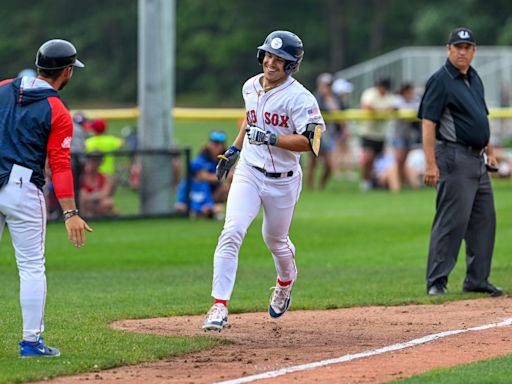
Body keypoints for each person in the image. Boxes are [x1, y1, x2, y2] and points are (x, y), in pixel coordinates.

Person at [202, 30, 325, 331]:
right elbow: (250, 119)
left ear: (291, 64)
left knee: (275, 240)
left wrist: (273, 138)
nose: (271, 62)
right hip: (250, 171)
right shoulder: (249, 86)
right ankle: (219, 306)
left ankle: (285, 282)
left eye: (279, 59)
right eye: (268, 55)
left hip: (283, 180)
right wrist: (234, 149)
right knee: (231, 231)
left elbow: (313, 142)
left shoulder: (300, 97)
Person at [0, 39, 92, 358]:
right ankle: (30, 343)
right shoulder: (57, 110)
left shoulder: (2, 88)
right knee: (31, 267)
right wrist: (70, 213)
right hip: (22, 189)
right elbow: (60, 165)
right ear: (66, 71)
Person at [418, 27, 502, 297]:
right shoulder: (440, 80)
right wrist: (430, 164)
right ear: (448, 49)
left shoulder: (474, 78)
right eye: (458, 47)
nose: (463, 51)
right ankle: (437, 280)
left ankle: (477, 279)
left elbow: (482, 117)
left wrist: (491, 151)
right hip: (453, 157)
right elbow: (429, 123)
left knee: (484, 220)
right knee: (451, 221)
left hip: (478, 159)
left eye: (468, 47)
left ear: (474, 51)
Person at [175, 130, 230, 219]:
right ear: (209, 144)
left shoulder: (225, 158)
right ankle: (203, 210)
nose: (216, 147)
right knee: (181, 206)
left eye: (219, 144)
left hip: (212, 192)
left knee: (227, 188)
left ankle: (207, 210)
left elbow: (231, 175)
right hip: (197, 191)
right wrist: (223, 177)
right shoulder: (202, 158)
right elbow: (201, 176)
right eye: (214, 143)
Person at [359, 78, 396, 191]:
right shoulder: (370, 94)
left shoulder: (389, 97)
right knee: (368, 159)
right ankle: (366, 182)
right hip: (368, 132)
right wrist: (383, 111)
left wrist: (379, 111)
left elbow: (392, 108)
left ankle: (375, 182)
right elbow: (367, 107)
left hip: (381, 134)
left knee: (379, 161)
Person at [307, 73, 336, 190]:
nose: (328, 88)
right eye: (326, 85)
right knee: (313, 162)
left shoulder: (333, 98)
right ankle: (310, 187)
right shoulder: (314, 97)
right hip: (316, 131)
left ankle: (320, 187)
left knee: (329, 165)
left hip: (328, 133)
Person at [391, 83, 421, 187]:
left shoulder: (415, 100)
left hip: (409, 134)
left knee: (405, 160)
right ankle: (397, 182)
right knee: (399, 159)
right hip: (399, 134)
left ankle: (403, 182)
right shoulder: (397, 100)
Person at [79, 152, 115, 217]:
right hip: (85, 205)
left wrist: (92, 196)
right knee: (82, 199)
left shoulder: (105, 177)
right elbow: (82, 195)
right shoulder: (81, 176)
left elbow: (105, 193)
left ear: (100, 162)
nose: (92, 162)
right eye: (90, 160)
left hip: (97, 204)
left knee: (108, 202)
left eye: (96, 160)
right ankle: (83, 218)